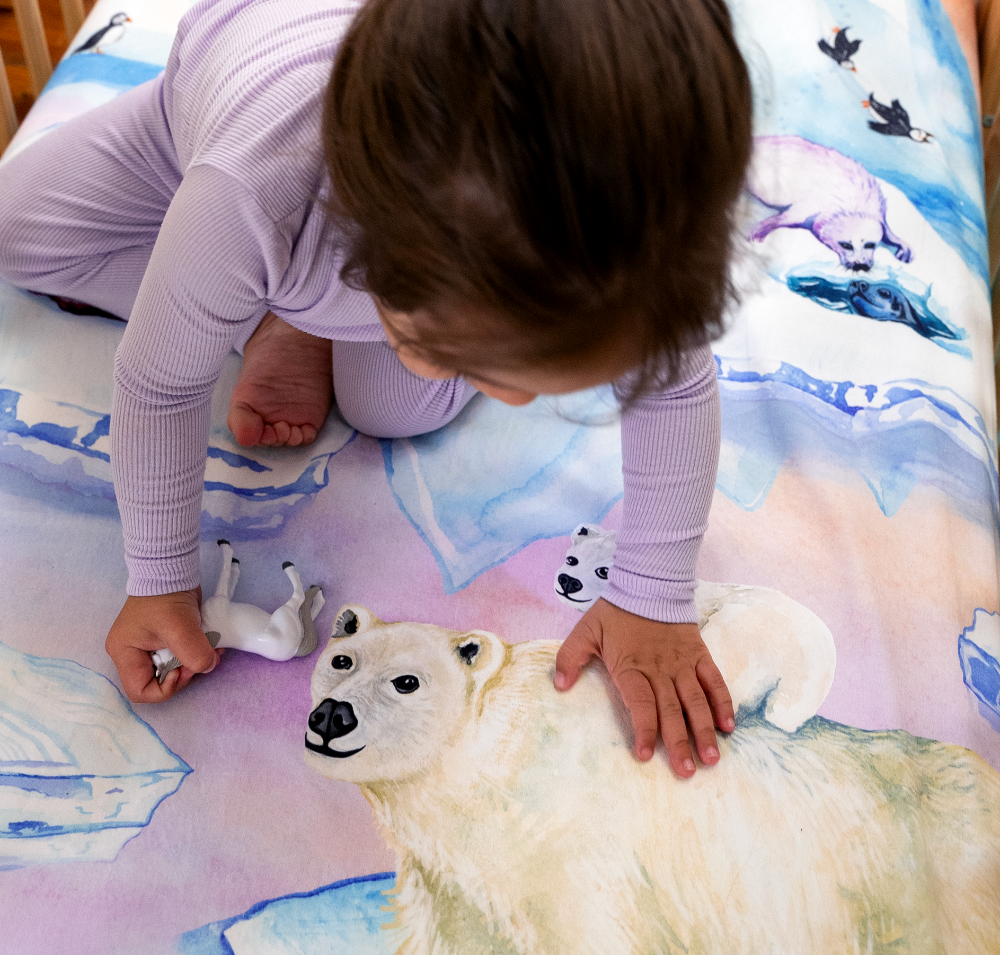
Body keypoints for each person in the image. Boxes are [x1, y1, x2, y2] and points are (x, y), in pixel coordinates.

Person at [0, 0, 752, 778]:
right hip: (200, 117)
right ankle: (271, 311)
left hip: (341, 233)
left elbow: (677, 386)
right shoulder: (248, 193)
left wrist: (653, 590)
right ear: (373, 256)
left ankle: (284, 314)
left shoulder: (643, 239)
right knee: (15, 230)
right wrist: (160, 578)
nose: (515, 401)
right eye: (484, 367)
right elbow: (159, 384)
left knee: (390, 408)